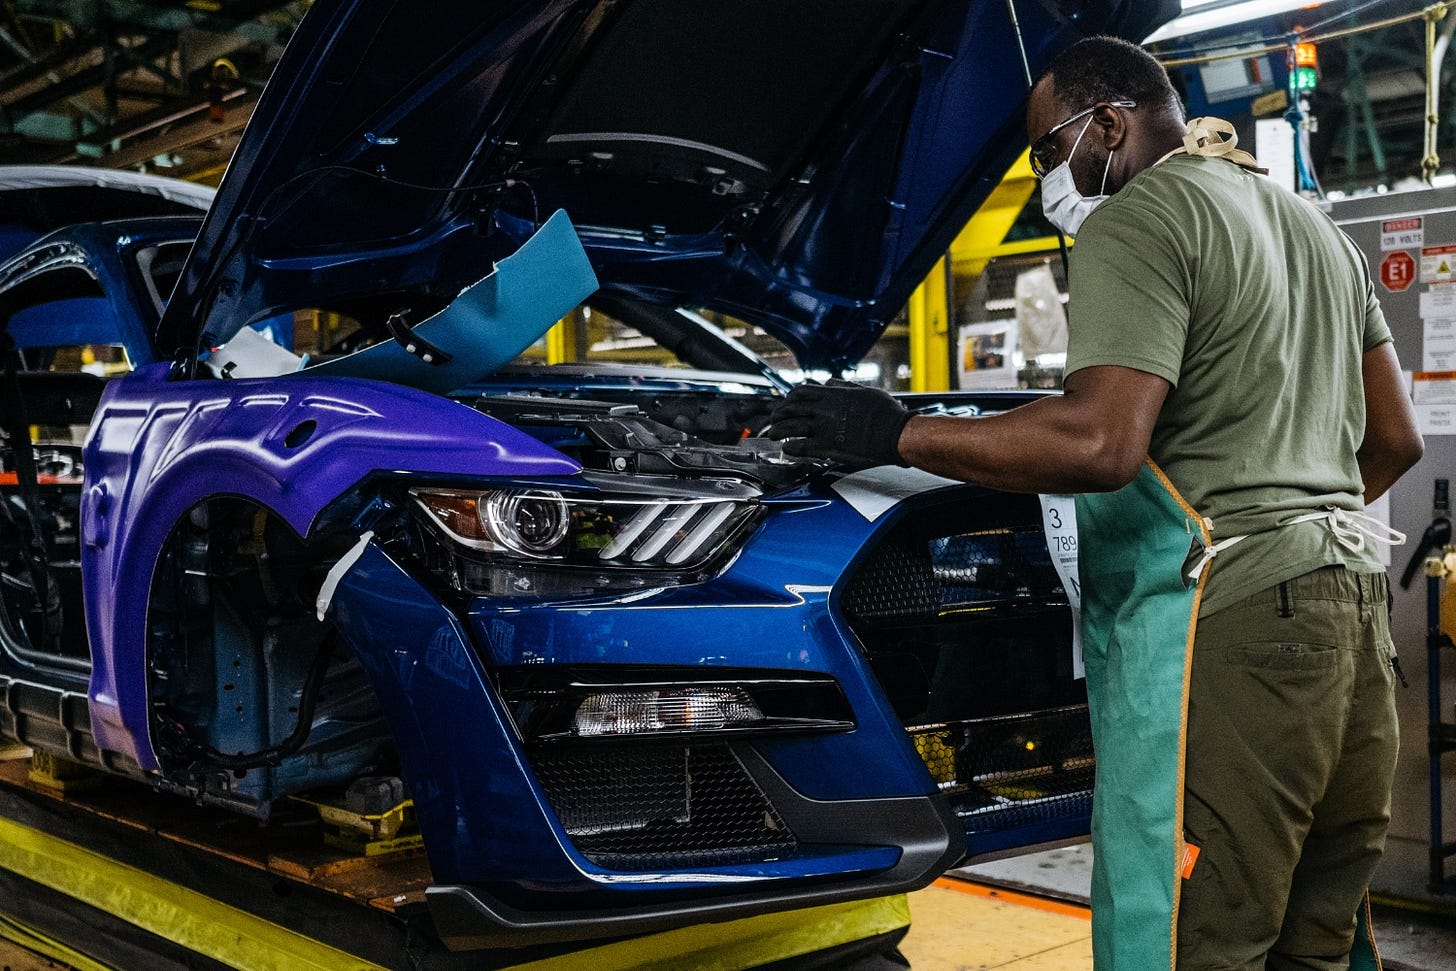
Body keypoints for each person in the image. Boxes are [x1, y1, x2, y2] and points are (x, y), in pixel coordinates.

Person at [768, 35, 1423, 971]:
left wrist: (891, 434)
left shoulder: (1140, 216)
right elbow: (1394, 441)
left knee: (1203, 941)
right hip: (1355, 619)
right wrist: (1290, 525)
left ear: (1109, 125)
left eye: (1045, 150)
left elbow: (1099, 442)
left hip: (1240, 632)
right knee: (1310, 943)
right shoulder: (1313, 226)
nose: (1044, 176)